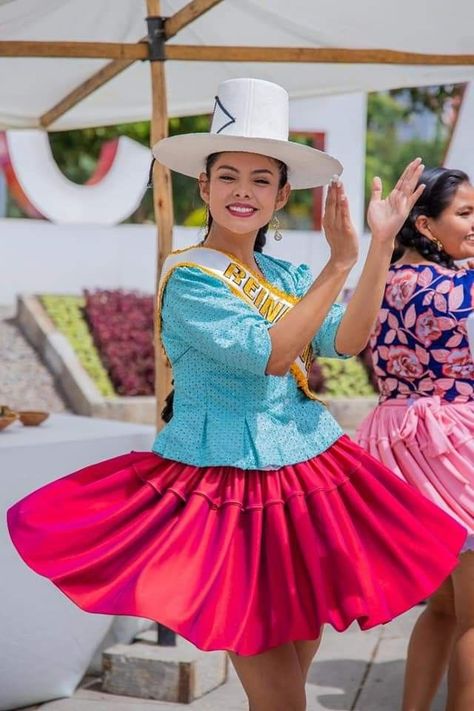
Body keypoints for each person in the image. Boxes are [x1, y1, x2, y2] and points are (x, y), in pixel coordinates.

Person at [7, 79, 466, 711]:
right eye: (227, 176)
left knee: (287, 690)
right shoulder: (191, 276)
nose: (241, 192)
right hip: (224, 490)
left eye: (259, 179)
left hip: (306, 477)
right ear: (204, 186)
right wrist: (338, 264)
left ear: (281, 194)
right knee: (280, 698)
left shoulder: (285, 274)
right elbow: (275, 355)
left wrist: (378, 246)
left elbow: (347, 339)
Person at [356, 167, 474, 711]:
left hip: (397, 447)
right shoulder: (463, 289)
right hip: (457, 447)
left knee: (445, 607)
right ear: (426, 225)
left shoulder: (379, 283)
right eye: (466, 214)